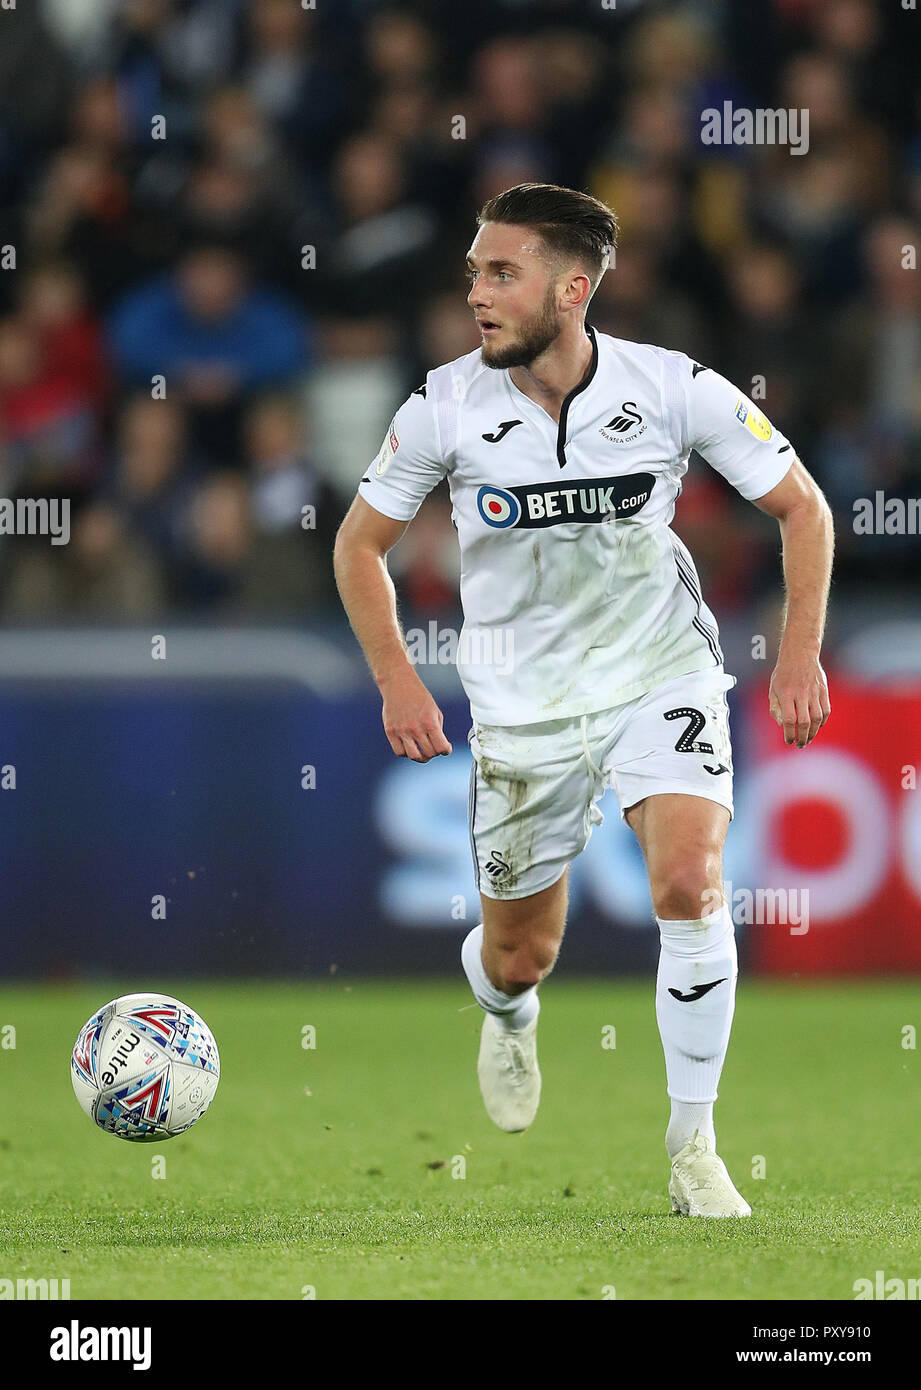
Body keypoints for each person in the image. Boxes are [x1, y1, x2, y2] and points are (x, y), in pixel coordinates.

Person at [334, 183, 833, 1218]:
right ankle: (508, 1014)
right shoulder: (444, 405)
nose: (476, 291)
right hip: (523, 707)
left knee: (692, 884)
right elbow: (359, 545)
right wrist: (395, 677)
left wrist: (797, 657)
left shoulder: (671, 387)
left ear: (572, 288)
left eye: (500, 271)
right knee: (523, 954)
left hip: (661, 671)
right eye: (474, 269)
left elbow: (802, 508)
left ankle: (694, 1144)